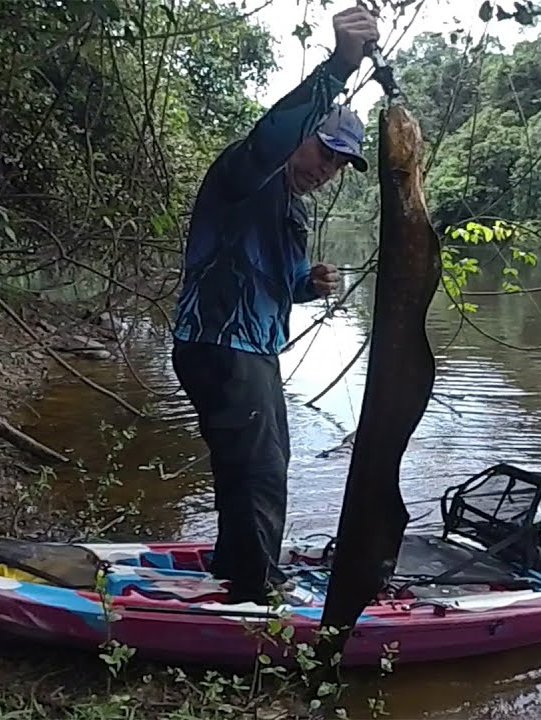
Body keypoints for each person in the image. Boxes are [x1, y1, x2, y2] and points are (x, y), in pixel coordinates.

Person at [170, 5, 381, 604]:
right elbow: (272, 134)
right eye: (324, 151)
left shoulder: (292, 207)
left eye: (340, 162)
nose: (327, 168)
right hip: (222, 346)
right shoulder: (247, 171)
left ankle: (234, 565)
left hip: (239, 349)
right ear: (303, 137)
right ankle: (258, 594)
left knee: (247, 464)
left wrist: (307, 285)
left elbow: (277, 282)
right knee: (263, 467)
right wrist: (340, 65)